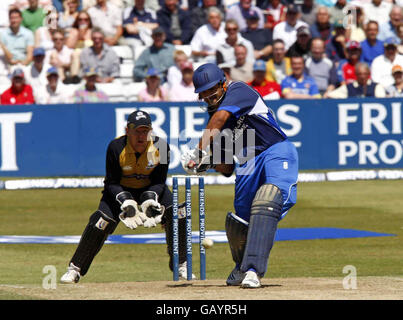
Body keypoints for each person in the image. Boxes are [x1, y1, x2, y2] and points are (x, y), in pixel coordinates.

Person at [181, 63, 298, 288]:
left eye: (210, 90)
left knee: (269, 200)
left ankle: (253, 270)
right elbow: (227, 168)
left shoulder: (239, 90)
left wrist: (197, 152)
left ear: (223, 83)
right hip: (247, 162)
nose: (207, 96)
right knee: (240, 221)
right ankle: (241, 266)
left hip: (275, 150)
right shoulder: (217, 119)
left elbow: (219, 119)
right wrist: (207, 164)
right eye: (202, 93)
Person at [60, 110, 195, 283]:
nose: (141, 136)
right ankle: (75, 269)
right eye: (137, 131)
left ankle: (181, 264)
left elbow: (160, 181)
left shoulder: (161, 146)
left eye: (145, 131)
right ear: (127, 130)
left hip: (151, 189)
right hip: (120, 191)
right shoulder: (116, 147)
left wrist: (149, 198)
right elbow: (111, 183)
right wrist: (125, 200)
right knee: (100, 222)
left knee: (179, 212)